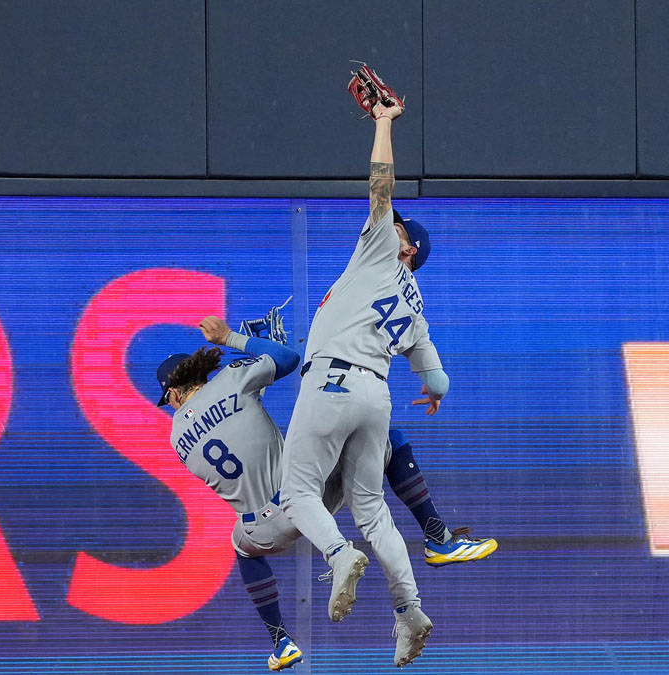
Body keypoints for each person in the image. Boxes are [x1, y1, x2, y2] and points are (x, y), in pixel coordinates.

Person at [158, 316, 495, 671]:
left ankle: (282, 641)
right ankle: (435, 538)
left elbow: (233, 432)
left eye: (169, 401)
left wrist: (250, 383)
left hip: (264, 528)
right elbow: (287, 360)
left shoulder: (176, 438)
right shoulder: (232, 381)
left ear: (176, 393)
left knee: (242, 547)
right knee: (387, 443)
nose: (171, 406)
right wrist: (239, 341)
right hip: (308, 492)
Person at [279, 99, 449, 667]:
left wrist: (382, 124)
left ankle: (336, 554)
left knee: (299, 493)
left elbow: (380, 185)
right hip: (377, 394)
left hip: (332, 382)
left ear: (405, 246)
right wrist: (434, 390)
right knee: (372, 510)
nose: (390, 221)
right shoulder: (416, 300)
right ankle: (410, 611)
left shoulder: (381, 249)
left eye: (399, 227)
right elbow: (435, 372)